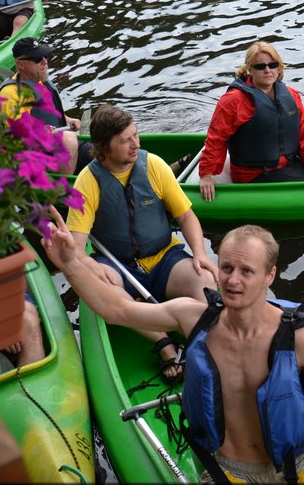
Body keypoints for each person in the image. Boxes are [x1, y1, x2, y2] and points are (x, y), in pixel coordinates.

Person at [43, 216, 304, 483]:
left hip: (299, 466)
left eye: (247, 271)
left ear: (270, 276)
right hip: (227, 472)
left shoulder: (300, 337)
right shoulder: (192, 317)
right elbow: (117, 309)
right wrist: (70, 263)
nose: (233, 281)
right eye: (226, 269)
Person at [67, 105, 217, 378]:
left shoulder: (154, 166)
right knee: (99, 282)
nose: (135, 144)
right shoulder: (87, 181)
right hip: (119, 266)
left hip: (164, 258)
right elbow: (76, 249)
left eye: (135, 135)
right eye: (125, 140)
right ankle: (164, 343)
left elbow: (186, 217)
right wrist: (91, 265)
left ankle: (208, 345)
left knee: (205, 280)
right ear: (103, 147)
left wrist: (200, 253)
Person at [198, 41, 304, 202]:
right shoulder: (233, 101)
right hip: (256, 173)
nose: (267, 70)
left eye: (272, 65)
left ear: (279, 67)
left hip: (290, 161)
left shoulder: (290, 94)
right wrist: (205, 175)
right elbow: (216, 140)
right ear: (249, 69)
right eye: (260, 66)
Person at [0, 38, 89, 176]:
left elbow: (44, 112)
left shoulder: (38, 79)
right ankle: (63, 187)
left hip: (58, 145)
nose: (45, 61)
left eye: (45, 56)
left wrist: (66, 119)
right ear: (20, 64)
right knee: (69, 139)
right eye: (37, 58)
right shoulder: (11, 93)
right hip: (36, 156)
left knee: (100, 151)